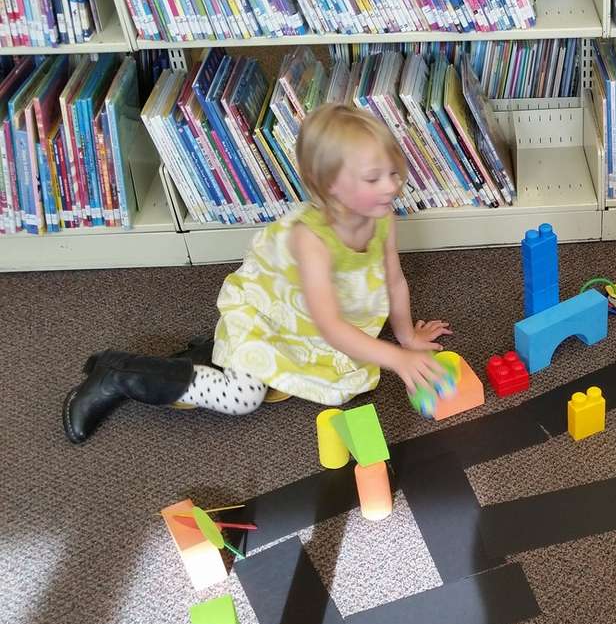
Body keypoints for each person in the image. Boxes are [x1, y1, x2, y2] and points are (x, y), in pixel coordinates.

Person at [63, 103, 450, 444]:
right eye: (374, 178)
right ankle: (117, 373)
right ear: (333, 186)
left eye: (393, 173)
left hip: (306, 320)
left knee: (341, 384)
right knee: (243, 397)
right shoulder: (311, 239)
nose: (392, 187)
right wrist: (397, 359)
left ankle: (212, 351)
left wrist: (406, 338)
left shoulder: (380, 217)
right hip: (268, 312)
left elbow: (394, 281)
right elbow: (332, 327)